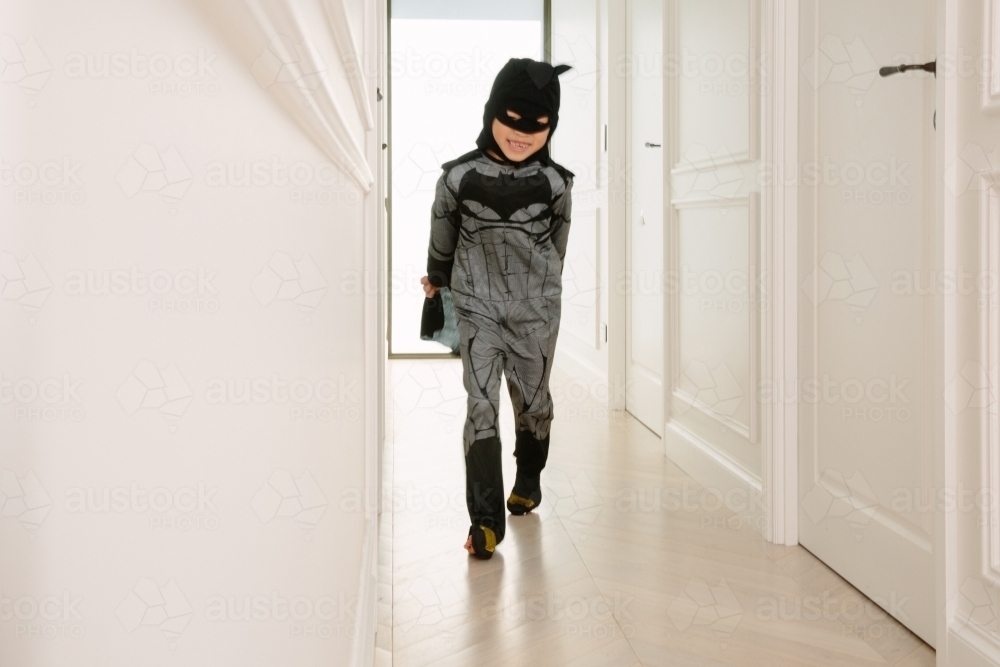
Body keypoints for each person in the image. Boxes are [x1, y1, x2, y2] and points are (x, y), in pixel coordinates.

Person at [419, 58, 575, 559]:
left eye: (538, 126)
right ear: (492, 113)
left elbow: (557, 248)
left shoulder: (557, 184)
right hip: (476, 307)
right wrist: (438, 284)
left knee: (534, 404)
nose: (522, 133)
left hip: (536, 311)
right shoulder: (456, 179)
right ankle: (484, 522)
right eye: (512, 119)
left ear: (550, 127)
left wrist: (542, 294)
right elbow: (441, 243)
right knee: (480, 404)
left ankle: (528, 476)